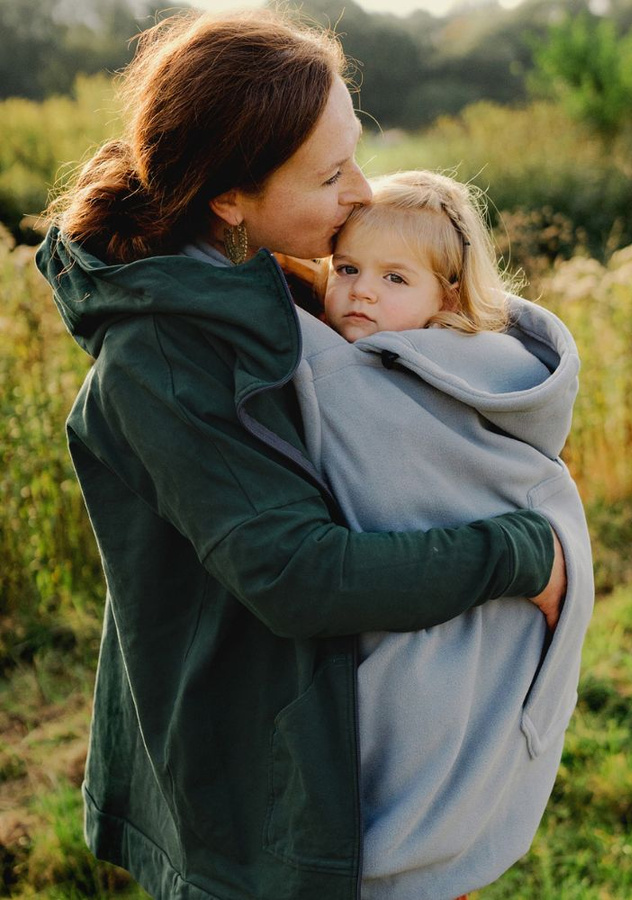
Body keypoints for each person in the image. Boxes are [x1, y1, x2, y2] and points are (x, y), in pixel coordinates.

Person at [35, 10, 566, 900]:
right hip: (252, 770)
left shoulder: (270, 278)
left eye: (357, 151)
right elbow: (296, 574)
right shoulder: (165, 358)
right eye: (330, 175)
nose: (363, 190)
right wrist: (520, 552)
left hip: (334, 738)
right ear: (230, 197)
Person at [281, 170, 595, 899]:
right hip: (414, 619)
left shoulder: (428, 378)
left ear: (445, 298)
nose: (362, 293)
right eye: (348, 269)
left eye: (395, 278)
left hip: (459, 637)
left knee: (429, 825)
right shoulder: (394, 354)